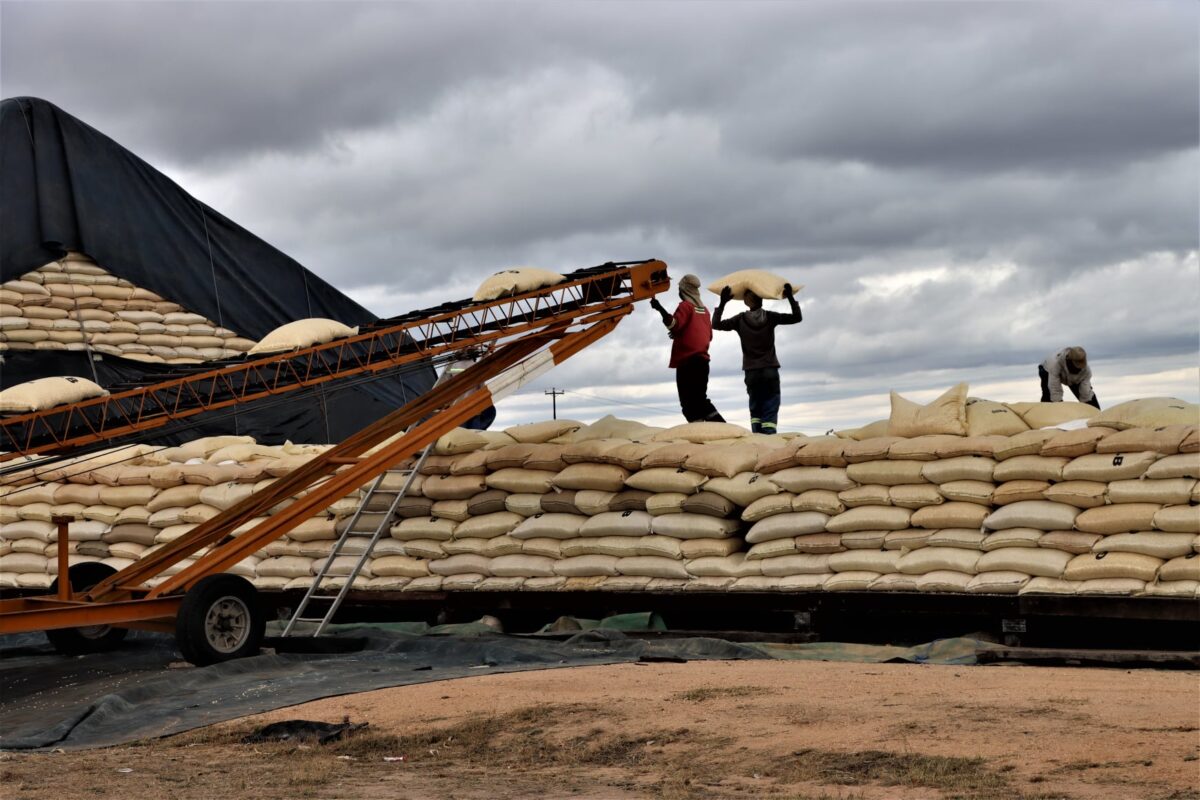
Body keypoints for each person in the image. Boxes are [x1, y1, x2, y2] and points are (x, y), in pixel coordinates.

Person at [712, 283, 801, 434]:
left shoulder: (740, 320)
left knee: (756, 410)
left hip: (752, 372)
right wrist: (790, 298)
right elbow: (797, 317)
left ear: (746, 302)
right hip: (769, 370)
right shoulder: (770, 317)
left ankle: (758, 439)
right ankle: (769, 439)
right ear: (762, 300)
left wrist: (723, 302)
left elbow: (716, 324)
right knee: (770, 407)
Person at [649, 274, 725, 423]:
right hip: (702, 363)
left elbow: (674, 324)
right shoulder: (704, 311)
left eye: (679, 289)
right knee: (700, 400)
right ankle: (716, 430)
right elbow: (707, 336)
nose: (678, 291)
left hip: (688, 364)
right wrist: (682, 334)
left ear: (684, 290)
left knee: (688, 404)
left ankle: (716, 428)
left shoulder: (686, 306)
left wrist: (659, 308)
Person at [439, 349, 497, 430]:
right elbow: (482, 389)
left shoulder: (450, 367)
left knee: (459, 434)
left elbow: (442, 387)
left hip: (455, 410)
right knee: (474, 433)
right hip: (472, 408)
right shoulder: (476, 366)